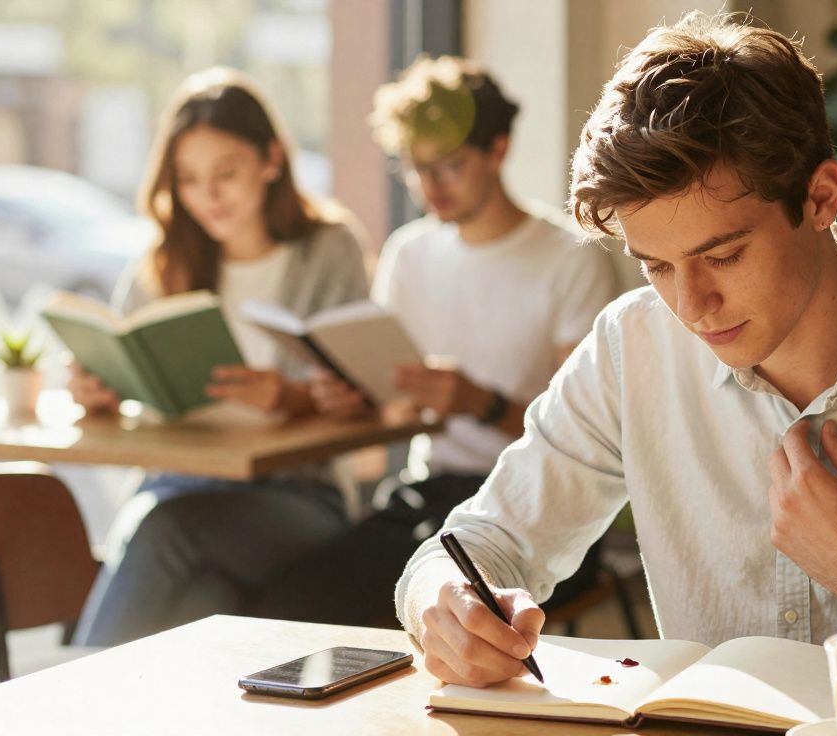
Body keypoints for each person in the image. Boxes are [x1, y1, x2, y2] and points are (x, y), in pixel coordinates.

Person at [396, 11, 837, 719]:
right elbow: (473, 545)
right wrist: (444, 605)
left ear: (820, 197)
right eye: (656, 265)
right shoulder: (632, 346)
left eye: (723, 255)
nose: (693, 304)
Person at [245, 56, 620, 626]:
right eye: (415, 169)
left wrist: (481, 403)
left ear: (498, 149)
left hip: (541, 506)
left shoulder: (569, 260)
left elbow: (591, 441)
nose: (429, 187)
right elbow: (390, 398)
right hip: (432, 492)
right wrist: (354, 398)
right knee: (290, 602)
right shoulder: (411, 254)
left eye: (448, 166)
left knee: (380, 608)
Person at [70, 67, 370, 646]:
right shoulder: (162, 265)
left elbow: (363, 393)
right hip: (177, 487)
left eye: (226, 173)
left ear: (271, 161)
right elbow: (124, 375)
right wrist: (99, 394)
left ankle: (63, 713)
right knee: (208, 600)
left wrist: (291, 397)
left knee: (162, 531)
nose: (208, 196)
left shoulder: (328, 250)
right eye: (187, 179)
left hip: (296, 498)